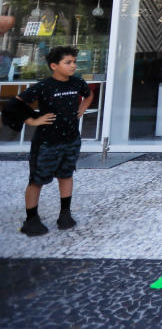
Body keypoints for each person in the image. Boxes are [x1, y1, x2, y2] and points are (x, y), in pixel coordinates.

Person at [17, 46, 93, 236]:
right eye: (68, 62)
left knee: (66, 175)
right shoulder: (43, 86)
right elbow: (17, 104)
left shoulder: (77, 83)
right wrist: (33, 120)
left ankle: (65, 214)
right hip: (47, 142)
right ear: (54, 65)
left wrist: (83, 107)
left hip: (71, 139)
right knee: (37, 180)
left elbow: (89, 94)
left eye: (74, 61)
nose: (73, 65)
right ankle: (31, 219)